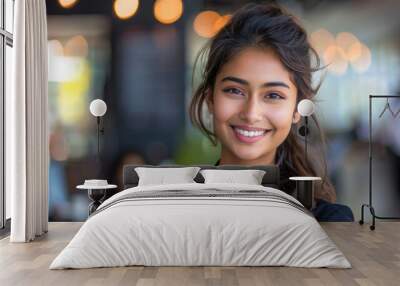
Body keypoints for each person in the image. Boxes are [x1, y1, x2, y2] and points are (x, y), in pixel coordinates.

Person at [189, 2, 353, 221]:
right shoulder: (175, 211)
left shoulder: (327, 222)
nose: (251, 113)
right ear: (210, 98)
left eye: (273, 95)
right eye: (235, 91)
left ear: (298, 109)